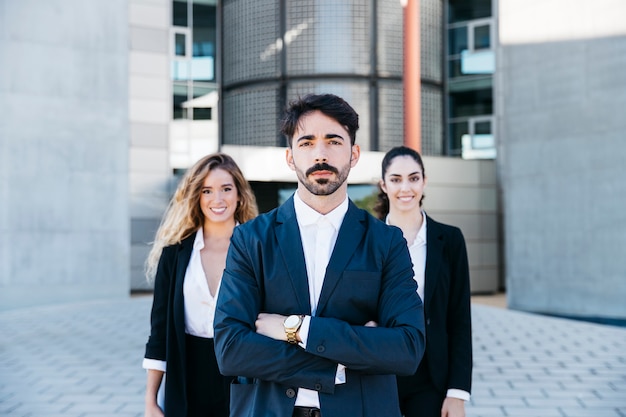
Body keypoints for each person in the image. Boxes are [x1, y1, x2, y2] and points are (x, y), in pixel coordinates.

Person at [213, 93, 426, 417]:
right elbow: (231, 350)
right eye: (307, 143)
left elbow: (407, 348)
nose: (321, 154)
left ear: (354, 154)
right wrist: (338, 363)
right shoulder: (251, 239)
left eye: (333, 141)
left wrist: (296, 329)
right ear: (290, 156)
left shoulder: (386, 242)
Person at [142, 153, 258, 417]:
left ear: (239, 194)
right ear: (197, 197)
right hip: (186, 378)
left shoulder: (258, 251)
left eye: (226, 189)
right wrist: (150, 400)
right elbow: (159, 332)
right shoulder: (175, 255)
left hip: (244, 378)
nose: (217, 199)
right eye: (207, 190)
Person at [374, 146, 472, 417]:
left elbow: (459, 319)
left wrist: (457, 393)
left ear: (424, 181)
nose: (405, 187)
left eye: (413, 178)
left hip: (431, 376)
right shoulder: (367, 239)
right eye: (396, 179)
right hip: (380, 370)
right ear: (384, 184)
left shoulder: (450, 240)